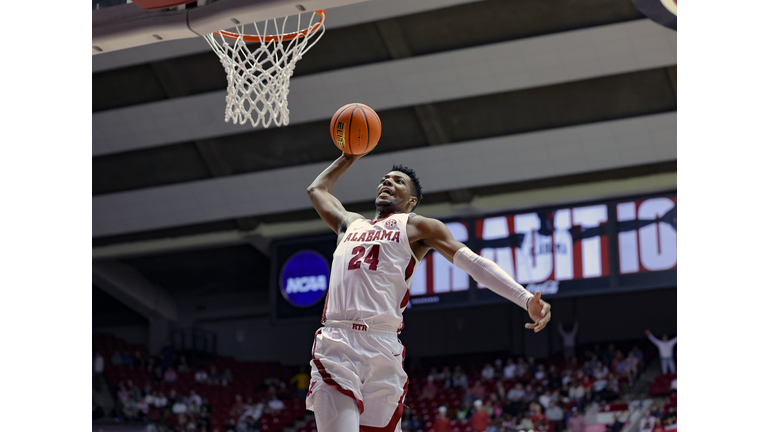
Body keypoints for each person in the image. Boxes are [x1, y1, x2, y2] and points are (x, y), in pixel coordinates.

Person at [303, 155, 552, 432]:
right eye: (385, 178)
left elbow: (473, 263)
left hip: (384, 345)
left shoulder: (417, 227)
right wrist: (349, 156)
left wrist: (524, 298)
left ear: (411, 202)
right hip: (339, 341)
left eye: (399, 181)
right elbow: (317, 190)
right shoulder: (350, 223)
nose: (388, 181)